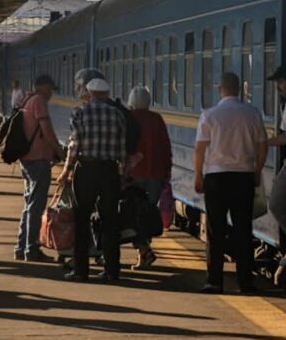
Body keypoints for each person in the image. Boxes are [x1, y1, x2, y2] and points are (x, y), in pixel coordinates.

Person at [194, 71, 267, 294]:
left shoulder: (209, 115)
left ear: (220, 89)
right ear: (239, 89)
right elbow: (262, 145)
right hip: (243, 177)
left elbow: (200, 149)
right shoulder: (253, 114)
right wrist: (257, 171)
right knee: (243, 230)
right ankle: (246, 282)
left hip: (216, 178)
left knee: (215, 231)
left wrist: (198, 175)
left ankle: (214, 281)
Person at [57, 75, 128, 282]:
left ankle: (81, 271)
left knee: (82, 219)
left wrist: (66, 170)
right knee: (110, 220)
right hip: (109, 171)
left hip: (86, 169)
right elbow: (122, 148)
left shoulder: (79, 112)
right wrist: (123, 173)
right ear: (106, 94)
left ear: (89, 93)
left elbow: (75, 144)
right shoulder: (117, 115)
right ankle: (112, 271)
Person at [126, 85, 172, 270]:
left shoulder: (129, 118)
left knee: (132, 216)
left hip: (134, 175)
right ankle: (144, 252)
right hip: (156, 175)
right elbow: (166, 147)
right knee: (148, 214)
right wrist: (167, 172)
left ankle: (144, 251)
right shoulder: (157, 119)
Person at [14, 75, 59, 263]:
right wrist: (58, 149)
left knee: (29, 204)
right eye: (50, 89)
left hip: (27, 159)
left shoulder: (27, 99)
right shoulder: (39, 100)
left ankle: (21, 247)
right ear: (42, 87)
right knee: (36, 206)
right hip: (38, 159)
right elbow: (46, 129)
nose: (51, 93)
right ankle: (31, 249)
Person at [266, 65, 286, 284]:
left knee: (277, 203)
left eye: (281, 82)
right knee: (277, 204)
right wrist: (265, 142)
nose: (278, 87)